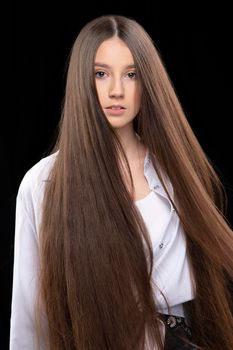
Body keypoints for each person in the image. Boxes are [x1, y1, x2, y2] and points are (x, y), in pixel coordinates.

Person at [10, 14, 233, 350]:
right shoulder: (44, 184)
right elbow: (30, 316)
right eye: (101, 74)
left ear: (148, 83)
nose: (117, 90)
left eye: (131, 74)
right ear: (83, 81)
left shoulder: (177, 174)